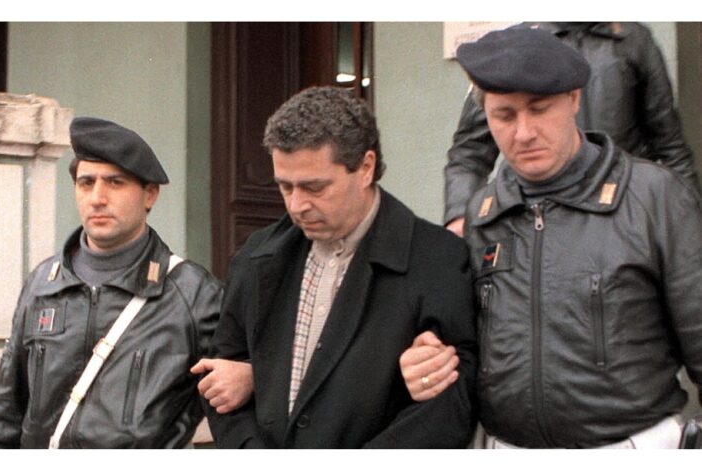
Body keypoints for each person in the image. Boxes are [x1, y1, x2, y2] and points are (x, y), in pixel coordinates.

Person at [401, 27, 702, 448]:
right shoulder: (483, 215)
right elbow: (463, 348)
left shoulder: (655, 198)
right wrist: (426, 362)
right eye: (504, 116)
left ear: (574, 100)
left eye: (539, 110)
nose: (523, 133)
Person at [200, 86, 477, 448]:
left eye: (314, 188)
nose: (297, 205)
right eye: (285, 187)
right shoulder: (257, 256)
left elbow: (448, 409)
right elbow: (220, 378)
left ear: (365, 168)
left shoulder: (437, 259)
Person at [0, 117, 224, 448]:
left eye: (115, 183)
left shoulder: (193, 293)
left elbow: (238, 405)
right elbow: (5, 414)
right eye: (86, 183)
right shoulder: (43, 285)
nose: (97, 198)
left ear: (150, 194)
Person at [444, 22, 700, 237]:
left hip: (622, 212)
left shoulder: (632, 40)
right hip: (533, 218)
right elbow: (470, 152)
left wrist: (690, 220)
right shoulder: (511, 52)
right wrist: (460, 216)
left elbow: (671, 147)